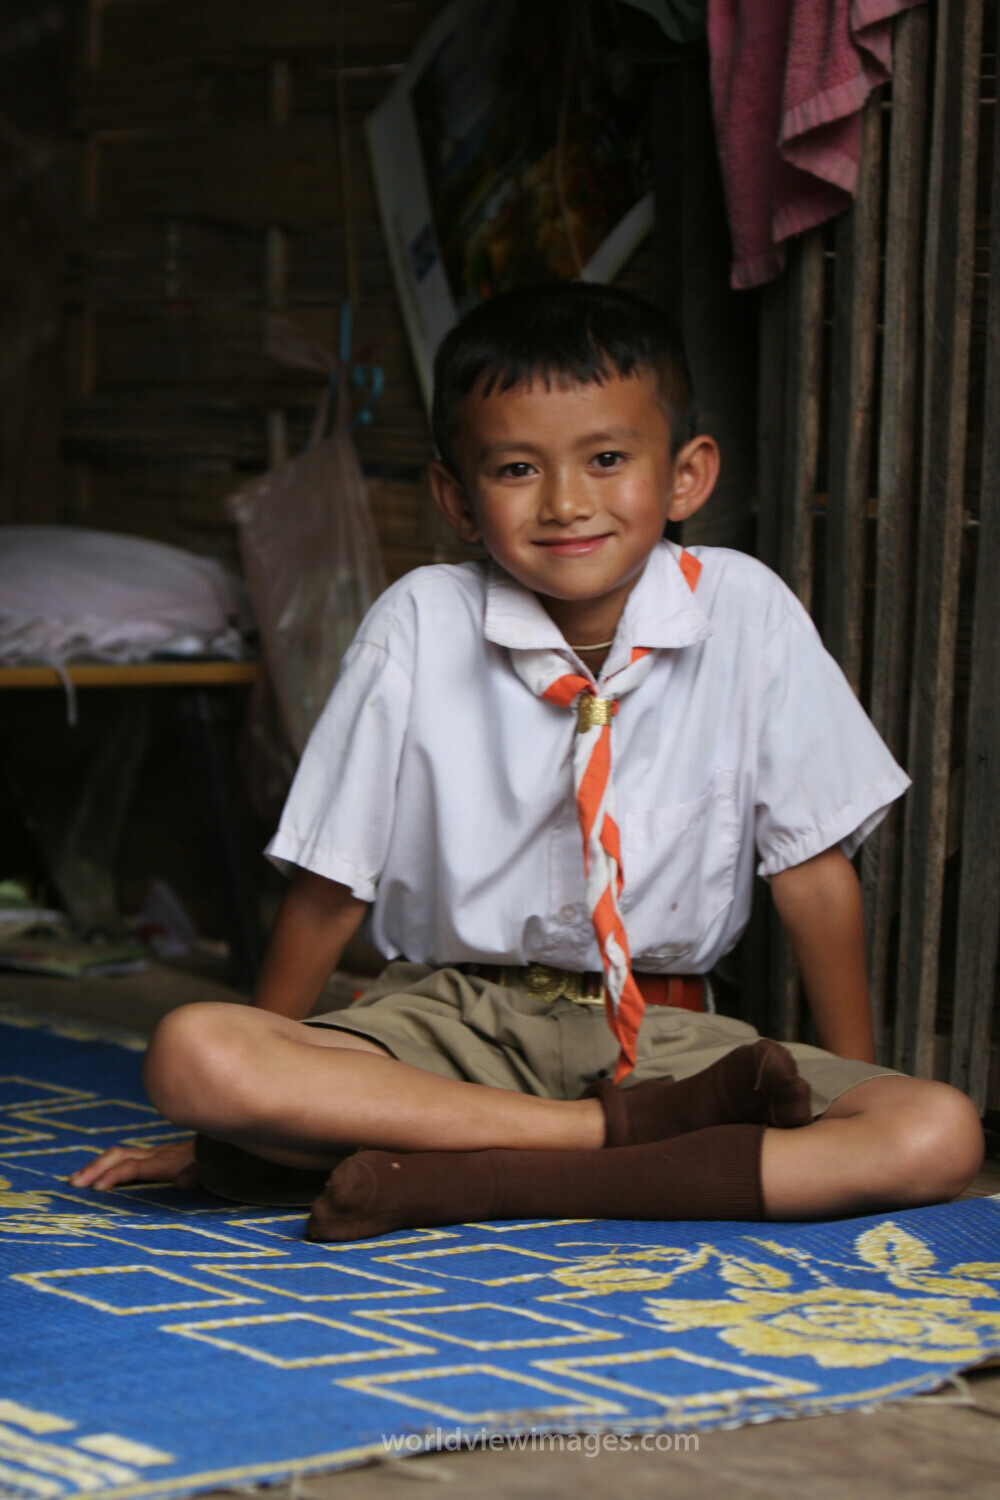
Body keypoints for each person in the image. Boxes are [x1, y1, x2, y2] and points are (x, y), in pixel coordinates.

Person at [71, 284, 983, 1239]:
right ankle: (599, 1145)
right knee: (196, 1056)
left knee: (931, 1131)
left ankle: (476, 1179)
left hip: (671, 1036)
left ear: (686, 476)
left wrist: (853, 1086)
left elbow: (813, 877)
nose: (565, 502)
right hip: (447, 1027)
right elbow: (330, 884)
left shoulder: (744, 611)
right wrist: (239, 1122)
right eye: (515, 468)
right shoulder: (419, 622)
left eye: (607, 458)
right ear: (457, 499)